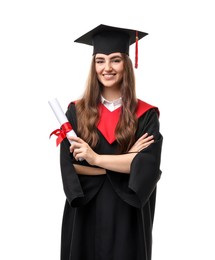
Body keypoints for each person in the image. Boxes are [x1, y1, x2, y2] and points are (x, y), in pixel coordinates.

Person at [59, 24, 163, 260]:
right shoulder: (76, 112)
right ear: (93, 65)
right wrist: (126, 161)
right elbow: (69, 165)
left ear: (126, 64)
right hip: (85, 213)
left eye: (115, 60)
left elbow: (146, 169)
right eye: (100, 60)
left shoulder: (146, 115)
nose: (107, 68)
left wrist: (94, 159)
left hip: (127, 216)